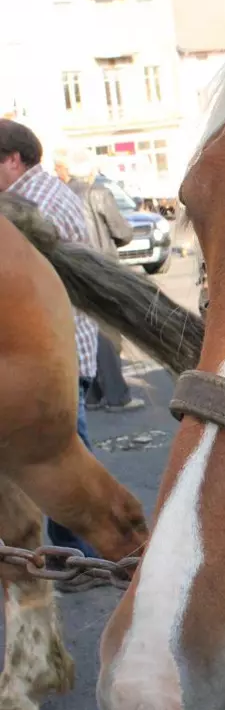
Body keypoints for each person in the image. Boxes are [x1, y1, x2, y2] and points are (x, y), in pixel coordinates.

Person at [0, 119, 98, 557]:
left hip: (54, 348)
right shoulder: (53, 191)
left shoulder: (27, 202)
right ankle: (76, 544)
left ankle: (88, 548)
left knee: (62, 455)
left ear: (13, 160)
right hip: (68, 340)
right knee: (65, 450)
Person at [59, 149, 145, 412]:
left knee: (84, 332)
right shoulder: (99, 193)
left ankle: (93, 395)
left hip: (72, 272)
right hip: (102, 271)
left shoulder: (60, 193)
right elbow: (122, 231)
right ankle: (117, 396)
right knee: (107, 333)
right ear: (92, 171)